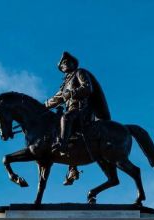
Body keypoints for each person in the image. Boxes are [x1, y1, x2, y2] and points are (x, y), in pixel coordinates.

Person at [44, 51, 111, 185]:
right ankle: (72, 167)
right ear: (61, 69)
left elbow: (88, 88)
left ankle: (62, 147)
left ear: (73, 63)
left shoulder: (80, 72)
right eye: (63, 64)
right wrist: (43, 107)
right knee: (55, 126)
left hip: (82, 110)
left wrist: (72, 93)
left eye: (67, 62)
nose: (65, 65)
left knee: (66, 118)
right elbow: (57, 99)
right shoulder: (64, 84)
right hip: (72, 111)